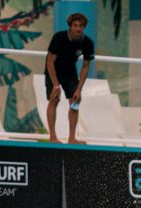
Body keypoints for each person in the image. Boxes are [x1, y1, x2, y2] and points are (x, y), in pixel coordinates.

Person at [45, 12, 95, 144]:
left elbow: (85, 66)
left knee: (75, 101)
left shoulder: (87, 43)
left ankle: (72, 138)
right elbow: (50, 61)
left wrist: (79, 89)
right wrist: (56, 85)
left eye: (81, 26)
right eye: (76, 25)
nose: (78, 29)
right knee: (54, 99)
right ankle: (52, 137)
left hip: (69, 71)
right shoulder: (59, 37)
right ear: (70, 27)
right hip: (54, 70)